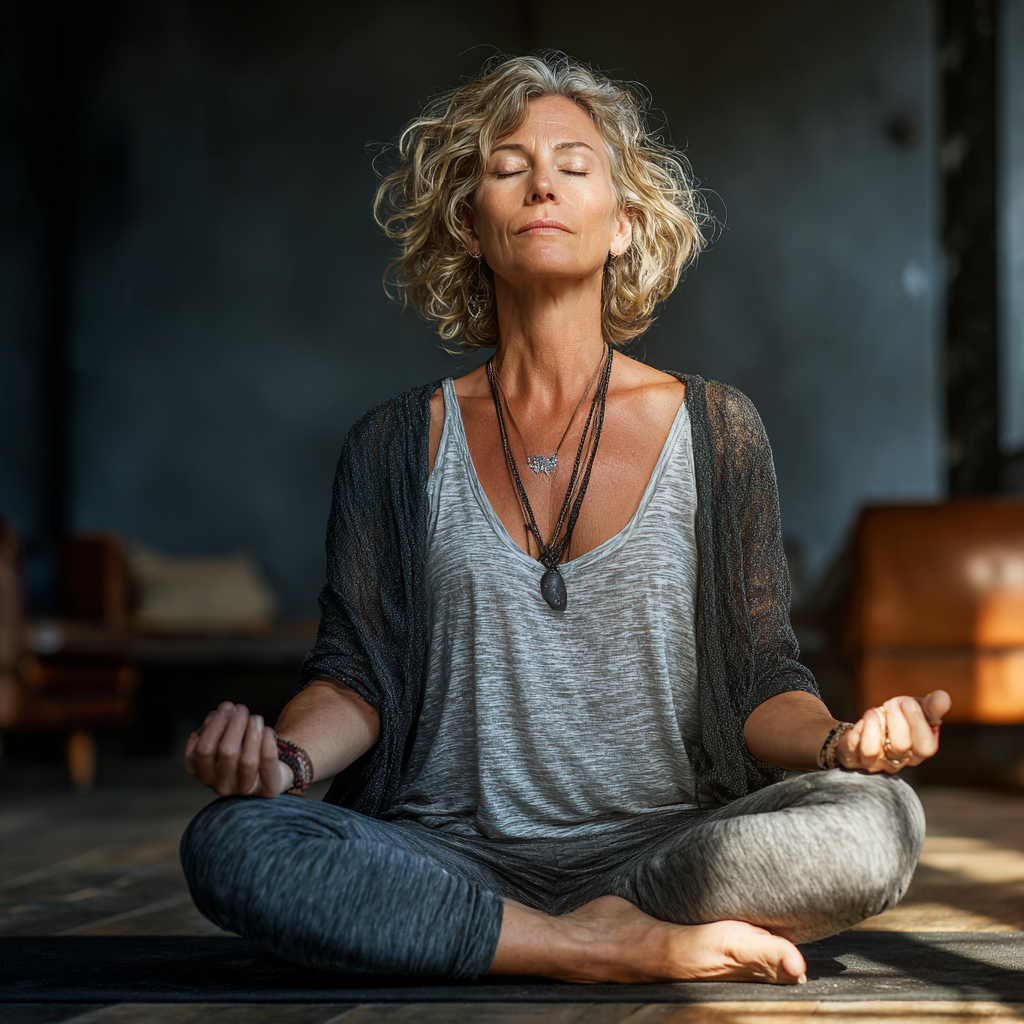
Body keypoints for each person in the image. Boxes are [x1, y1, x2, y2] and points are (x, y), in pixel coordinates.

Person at [180, 52, 949, 986]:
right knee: (235, 841)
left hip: (671, 854)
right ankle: (597, 946)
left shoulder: (717, 429)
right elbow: (356, 676)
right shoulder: (391, 443)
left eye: (575, 165)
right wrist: (286, 761)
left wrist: (843, 743)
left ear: (624, 224)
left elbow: (759, 681)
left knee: (882, 822)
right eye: (508, 168)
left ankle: (534, 934)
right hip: (446, 852)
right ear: (470, 226)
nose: (541, 181)